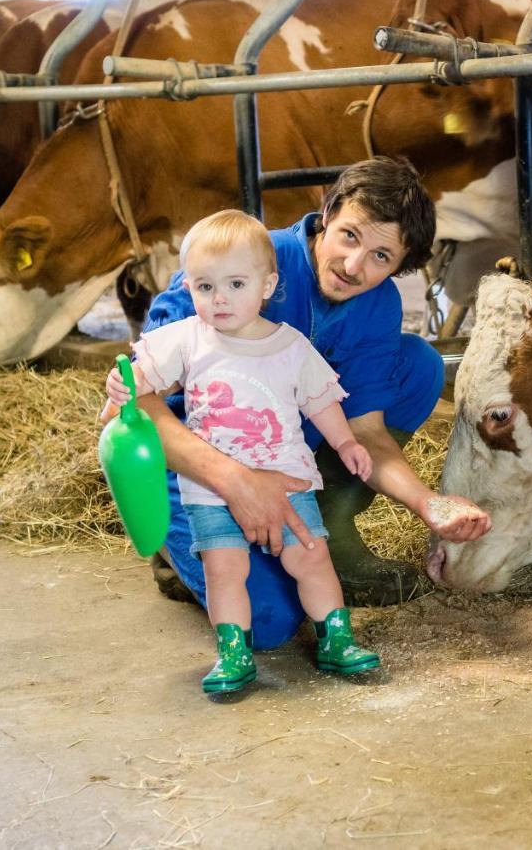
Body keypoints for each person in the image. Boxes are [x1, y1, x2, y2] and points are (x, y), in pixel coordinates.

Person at [115, 157, 491, 650]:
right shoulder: (242, 258)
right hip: (196, 457)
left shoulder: (377, 305)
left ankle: (329, 528)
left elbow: (367, 433)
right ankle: (175, 546)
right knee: (270, 622)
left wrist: (427, 502)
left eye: (382, 257)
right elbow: (139, 402)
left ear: (400, 267)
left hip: (280, 450)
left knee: (418, 365)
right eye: (350, 236)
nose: (354, 267)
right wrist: (239, 483)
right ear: (327, 212)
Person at [106, 209, 384, 693]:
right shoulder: (186, 338)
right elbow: (139, 385)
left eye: (236, 284)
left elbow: (320, 400)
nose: (219, 299)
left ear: (268, 284)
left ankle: (336, 640)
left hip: (287, 478)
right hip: (211, 492)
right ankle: (233, 652)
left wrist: (344, 442)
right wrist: (121, 386)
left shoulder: (290, 346)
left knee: (312, 558)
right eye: (204, 286)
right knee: (224, 569)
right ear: (187, 287)